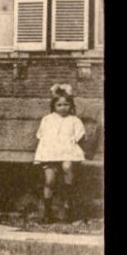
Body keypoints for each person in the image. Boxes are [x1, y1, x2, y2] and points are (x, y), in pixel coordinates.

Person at [34, 83, 85, 222]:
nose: (63, 108)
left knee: (67, 167)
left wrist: (70, 143)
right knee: (49, 180)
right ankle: (47, 212)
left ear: (71, 106)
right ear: (54, 106)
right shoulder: (47, 119)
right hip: (50, 153)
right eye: (59, 105)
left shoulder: (74, 120)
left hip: (67, 152)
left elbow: (79, 136)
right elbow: (40, 136)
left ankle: (68, 206)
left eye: (66, 104)